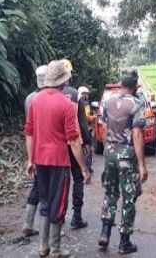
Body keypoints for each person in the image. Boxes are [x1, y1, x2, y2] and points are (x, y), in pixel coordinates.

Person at [24, 60, 91, 258]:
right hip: (59, 162)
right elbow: (73, 140)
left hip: (40, 160)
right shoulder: (66, 104)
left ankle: (42, 247)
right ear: (65, 81)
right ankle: (55, 249)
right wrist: (84, 168)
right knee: (58, 203)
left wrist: (31, 159)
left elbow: (29, 133)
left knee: (44, 200)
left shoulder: (35, 100)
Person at [98, 67, 149, 254]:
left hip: (110, 152)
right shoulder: (136, 104)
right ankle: (124, 241)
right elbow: (136, 135)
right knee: (129, 197)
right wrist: (142, 165)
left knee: (110, 193)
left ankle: (104, 233)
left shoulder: (108, 101)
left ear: (121, 84)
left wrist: (107, 150)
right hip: (126, 154)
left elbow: (103, 130)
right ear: (135, 86)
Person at [61, 60, 92, 230]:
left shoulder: (51, 94)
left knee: (60, 179)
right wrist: (87, 143)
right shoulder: (76, 95)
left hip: (59, 145)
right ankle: (77, 216)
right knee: (78, 177)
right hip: (74, 142)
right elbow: (82, 123)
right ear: (69, 75)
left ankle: (59, 215)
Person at [21, 65, 48, 237]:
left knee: (37, 186)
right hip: (46, 148)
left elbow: (28, 128)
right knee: (48, 189)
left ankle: (28, 223)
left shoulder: (29, 98)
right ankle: (48, 234)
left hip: (34, 146)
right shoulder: (46, 99)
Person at [78, 86, 94, 174]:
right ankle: (88, 167)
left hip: (78, 129)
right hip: (86, 129)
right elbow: (87, 117)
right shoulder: (85, 103)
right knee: (88, 148)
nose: (87, 95)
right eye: (86, 94)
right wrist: (93, 117)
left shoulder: (76, 102)